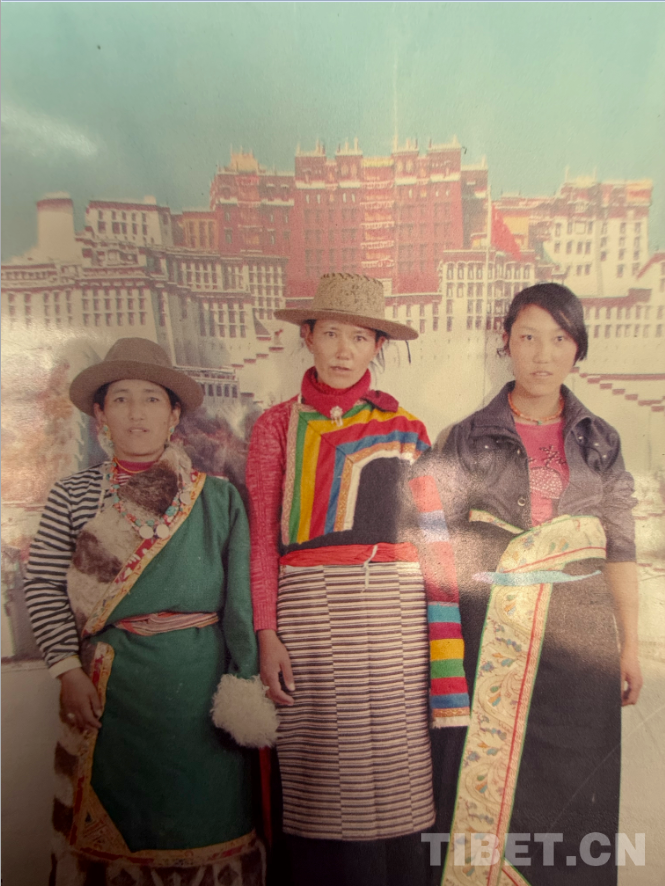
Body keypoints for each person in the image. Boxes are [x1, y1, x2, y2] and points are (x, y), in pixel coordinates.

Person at [245, 273, 470, 886]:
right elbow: (262, 542)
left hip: (397, 621)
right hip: (310, 619)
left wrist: (439, 646)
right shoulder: (275, 427)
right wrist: (266, 633)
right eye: (332, 333)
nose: (344, 350)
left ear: (379, 346)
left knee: (395, 777)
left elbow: (435, 542)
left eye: (361, 337)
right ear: (308, 336)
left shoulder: (409, 429)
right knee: (322, 783)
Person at [24, 337, 273, 886]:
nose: (136, 413)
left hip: (200, 692)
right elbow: (41, 584)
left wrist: (242, 683)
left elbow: (241, 602)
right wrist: (66, 670)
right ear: (100, 414)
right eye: (121, 399)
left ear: (175, 414)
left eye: (152, 399)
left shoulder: (218, 498)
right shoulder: (72, 495)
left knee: (207, 827)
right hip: (110, 690)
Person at [417, 283, 642, 886]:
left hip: (580, 653)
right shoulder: (465, 437)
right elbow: (437, 548)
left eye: (559, 339)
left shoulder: (602, 442)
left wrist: (629, 645)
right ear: (507, 343)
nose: (543, 355)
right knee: (481, 792)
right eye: (529, 337)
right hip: (493, 644)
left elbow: (620, 548)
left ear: (578, 349)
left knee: (576, 807)